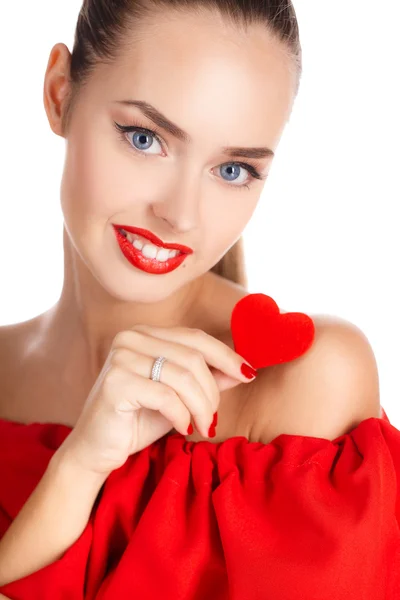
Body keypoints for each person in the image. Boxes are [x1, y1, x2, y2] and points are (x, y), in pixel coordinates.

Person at [0, 0, 399, 597]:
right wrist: (76, 469)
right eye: (145, 138)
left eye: (233, 170)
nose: (180, 214)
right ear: (60, 93)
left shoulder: (306, 380)